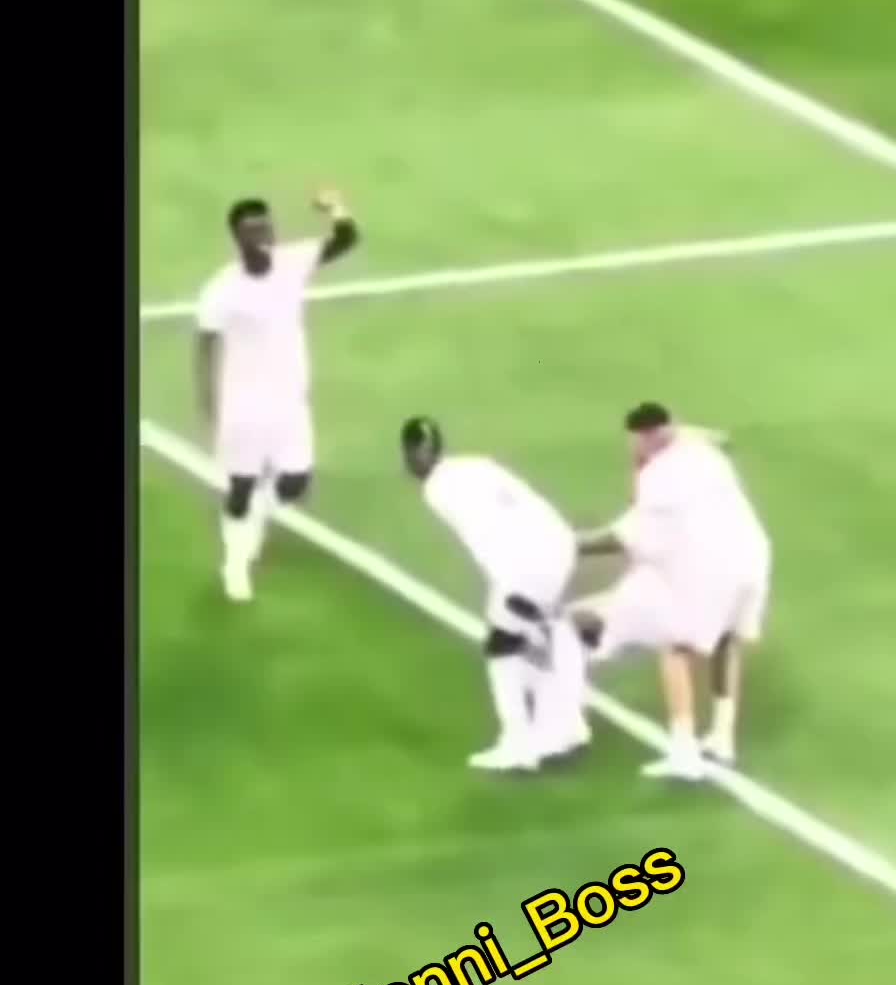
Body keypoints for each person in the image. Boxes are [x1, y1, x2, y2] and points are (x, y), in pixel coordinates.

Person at [577, 404, 771, 779]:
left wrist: (569, 544)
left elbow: (628, 534)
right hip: (751, 556)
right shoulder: (703, 451)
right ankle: (722, 739)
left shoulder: (658, 478)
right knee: (726, 638)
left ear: (641, 438)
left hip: (712, 568)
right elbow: (722, 440)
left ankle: (683, 753)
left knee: (675, 645)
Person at [194, 191, 359, 602]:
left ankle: (256, 517)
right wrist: (208, 401)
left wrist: (335, 207)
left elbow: (346, 239)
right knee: (241, 486)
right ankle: (235, 563)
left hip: (290, 402)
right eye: (253, 231)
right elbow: (206, 345)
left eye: (267, 228)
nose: (264, 237)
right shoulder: (221, 290)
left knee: (296, 482)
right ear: (238, 238)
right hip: (244, 406)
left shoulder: (292, 262)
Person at [401, 417, 590, 772]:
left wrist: (514, 591)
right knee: (539, 634)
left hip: (526, 566)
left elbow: (486, 535)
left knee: (504, 645)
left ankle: (519, 743)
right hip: (558, 543)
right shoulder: (475, 464)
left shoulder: (437, 491)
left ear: (415, 454)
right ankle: (567, 726)